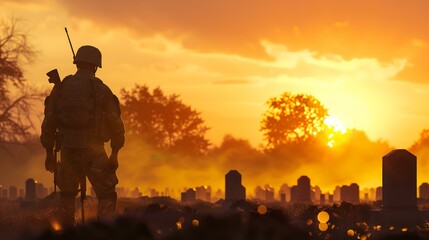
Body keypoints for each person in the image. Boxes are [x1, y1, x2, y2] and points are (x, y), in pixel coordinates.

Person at [40, 45, 125, 226]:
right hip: (93, 150)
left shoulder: (61, 88)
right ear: (95, 66)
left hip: (68, 150)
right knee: (107, 193)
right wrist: (114, 153)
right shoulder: (101, 89)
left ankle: (65, 231)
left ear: (77, 63)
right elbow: (116, 124)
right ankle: (106, 233)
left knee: (67, 195)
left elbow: (48, 122)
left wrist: (49, 155)